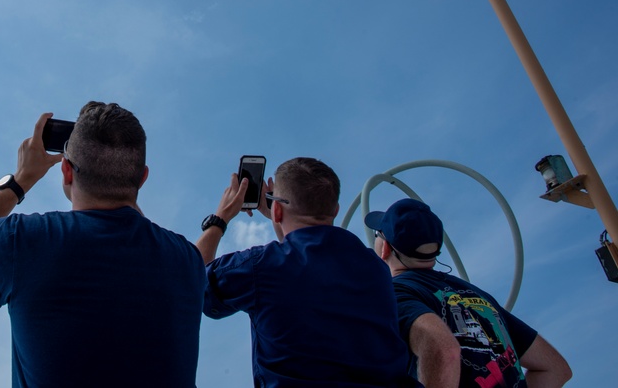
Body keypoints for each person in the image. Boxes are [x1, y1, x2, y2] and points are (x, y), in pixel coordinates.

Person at [0, 102, 206, 388]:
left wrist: (22, 180)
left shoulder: (23, 241)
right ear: (143, 177)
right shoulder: (187, 261)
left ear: (66, 171)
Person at [197, 157, 418, 387]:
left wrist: (219, 218)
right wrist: (280, 219)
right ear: (336, 210)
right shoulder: (377, 269)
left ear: (277, 211)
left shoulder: (260, 267)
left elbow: (193, 280)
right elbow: (305, 261)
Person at [365, 198, 572, 388]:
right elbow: (554, 369)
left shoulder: (396, 293)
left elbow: (443, 350)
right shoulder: (477, 296)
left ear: (385, 248)